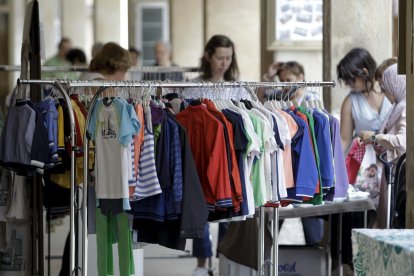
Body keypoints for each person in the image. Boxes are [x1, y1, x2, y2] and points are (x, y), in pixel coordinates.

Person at [189, 34, 243, 276]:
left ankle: (224, 262)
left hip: (230, 156)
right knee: (200, 211)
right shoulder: (193, 86)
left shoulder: (239, 88)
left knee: (227, 210)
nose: (224, 63)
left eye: (228, 58)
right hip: (200, 154)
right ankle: (202, 265)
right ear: (208, 56)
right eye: (220, 57)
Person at [358, 63, 406, 228]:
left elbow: (402, 142)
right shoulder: (397, 107)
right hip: (390, 172)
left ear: (396, 85)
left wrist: (374, 137)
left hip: (399, 176)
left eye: (386, 89)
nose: (384, 94)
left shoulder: (406, 108)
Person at [337, 48, 393, 153]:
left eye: (351, 80)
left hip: (393, 160)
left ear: (364, 72)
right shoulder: (350, 101)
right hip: (365, 162)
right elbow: (344, 139)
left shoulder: (390, 91)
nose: (348, 84)